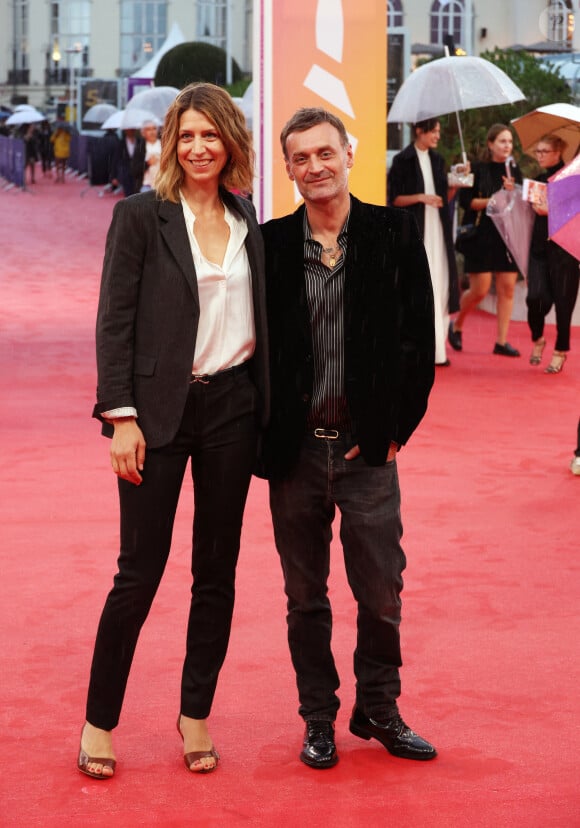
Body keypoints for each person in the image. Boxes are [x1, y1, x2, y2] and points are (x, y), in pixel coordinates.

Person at [77, 82, 269, 779]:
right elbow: (114, 321)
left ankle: (195, 715)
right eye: (185, 136)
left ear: (230, 142)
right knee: (139, 573)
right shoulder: (140, 216)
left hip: (232, 412)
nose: (197, 148)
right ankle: (99, 721)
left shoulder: (249, 219)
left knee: (216, 573)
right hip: (156, 414)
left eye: (209, 135)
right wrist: (119, 417)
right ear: (169, 142)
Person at [260, 107, 437, 769]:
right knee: (305, 598)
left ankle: (380, 709)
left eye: (324, 153)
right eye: (301, 158)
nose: (315, 167)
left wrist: (395, 432)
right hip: (295, 455)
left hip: (369, 455)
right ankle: (318, 719)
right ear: (289, 169)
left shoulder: (393, 233)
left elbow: (420, 341)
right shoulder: (272, 244)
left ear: (347, 155)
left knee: (382, 593)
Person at [388, 118, 461, 366]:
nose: (437, 136)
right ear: (420, 130)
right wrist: (421, 197)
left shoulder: (438, 160)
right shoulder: (401, 161)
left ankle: (438, 351)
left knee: (440, 284)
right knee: (417, 286)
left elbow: (443, 198)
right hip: (415, 232)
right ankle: (414, 348)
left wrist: (458, 183)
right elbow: (394, 199)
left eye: (439, 132)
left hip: (438, 230)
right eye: (434, 131)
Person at [449, 123, 523, 357]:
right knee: (479, 289)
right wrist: (495, 199)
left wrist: (513, 194)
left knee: (507, 288)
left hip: (507, 236)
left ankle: (501, 341)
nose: (507, 146)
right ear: (490, 144)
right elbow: (466, 203)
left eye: (510, 142)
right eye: (502, 141)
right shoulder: (478, 169)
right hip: (481, 235)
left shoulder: (514, 170)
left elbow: (520, 205)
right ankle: (457, 323)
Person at [526, 134, 579, 374]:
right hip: (538, 249)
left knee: (563, 303)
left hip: (564, 250)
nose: (539, 156)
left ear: (558, 153)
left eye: (544, 151)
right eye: (537, 151)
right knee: (535, 298)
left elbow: (574, 213)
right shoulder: (536, 180)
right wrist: (514, 191)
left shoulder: (572, 179)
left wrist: (552, 211)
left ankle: (560, 350)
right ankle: (538, 338)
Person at [132, 119, 162, 192]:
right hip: (147, 185)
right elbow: (134, 170)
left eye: (154, 128)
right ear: (143, 133)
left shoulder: (164, 145)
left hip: (164, 184)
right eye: (148, 129)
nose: (152, 132)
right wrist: (147, 163)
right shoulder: (140, 148)